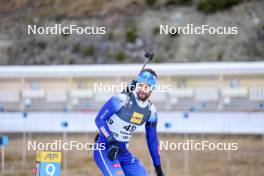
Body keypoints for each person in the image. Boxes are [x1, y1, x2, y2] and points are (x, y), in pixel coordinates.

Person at [93, 68, 165, 176]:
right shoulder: (121, 99)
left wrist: (158, 168)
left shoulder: (151, 111)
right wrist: (111, 140)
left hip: (122, 151)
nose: (142, 89)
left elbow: (152, 140)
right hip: (105, 147)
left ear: (152, 88)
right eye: (140, 85)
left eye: (147, 87)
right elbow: (99, 119)